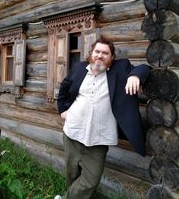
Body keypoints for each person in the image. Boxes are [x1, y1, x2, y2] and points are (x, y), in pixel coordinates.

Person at [54, 37, 150, 199]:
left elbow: (145, 68)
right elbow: (64, 89)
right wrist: (63, 110)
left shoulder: (120, 69)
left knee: (91, 179)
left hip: (99, 137)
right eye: (97, 51)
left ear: (111, 58)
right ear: (91, 54)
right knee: (72, 173)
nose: (100, 55)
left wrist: (135, 76)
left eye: (105, 53)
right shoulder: (78, 68)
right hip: (73, 131)